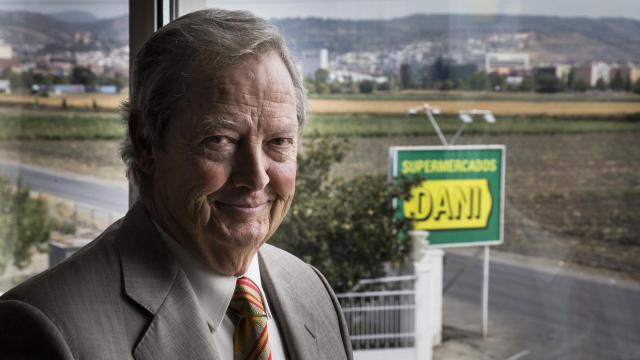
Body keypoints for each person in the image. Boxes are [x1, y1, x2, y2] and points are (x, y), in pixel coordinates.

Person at [0, 9, 352, 360]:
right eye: (220, 140)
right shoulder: (43, 327)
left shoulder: (313, 291)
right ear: (146, 142)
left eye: (278, 142)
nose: (257, 177)